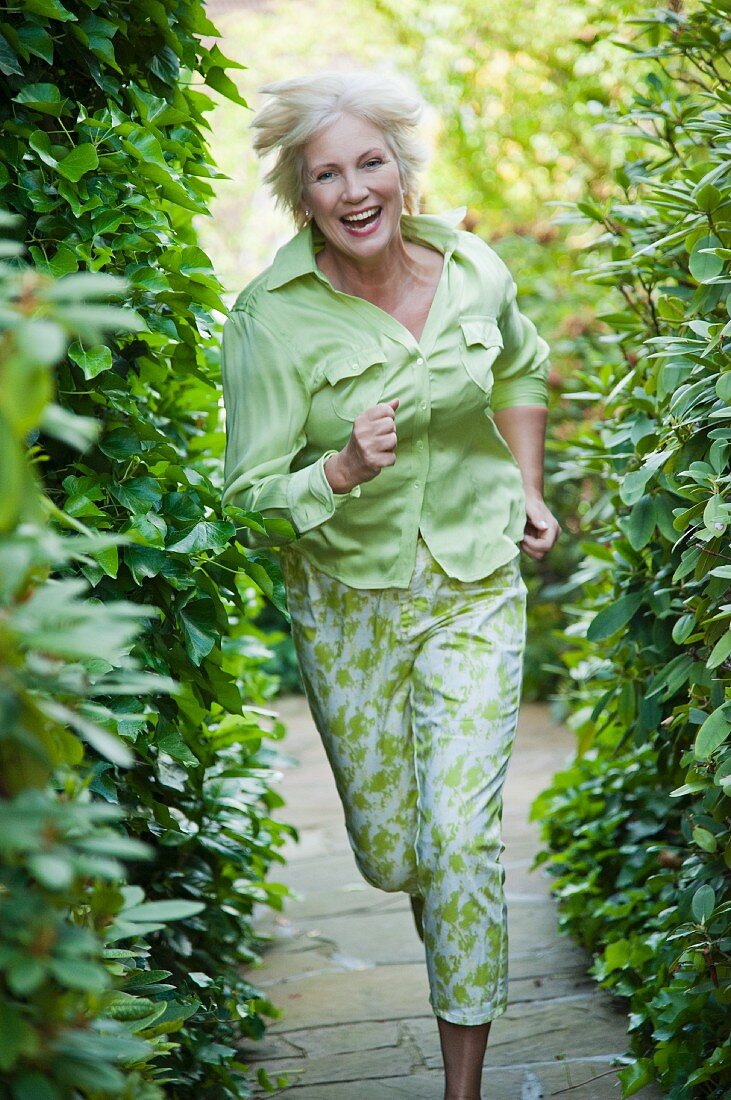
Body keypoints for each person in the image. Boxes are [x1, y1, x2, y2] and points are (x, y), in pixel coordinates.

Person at [220, 68, 560, 1100]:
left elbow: (518, 369)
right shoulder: (270, 319)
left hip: (472, 583)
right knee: (396, 851)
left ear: (401, 169)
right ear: (301, 193)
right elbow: (243, 495)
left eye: (370, 161)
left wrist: (530, 489)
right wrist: (336, 469)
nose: (354, 187)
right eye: (327, 173)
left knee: (460, 838)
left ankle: (460, 1087)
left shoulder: (471, 270)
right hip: (346, 603)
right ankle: (432, 898)